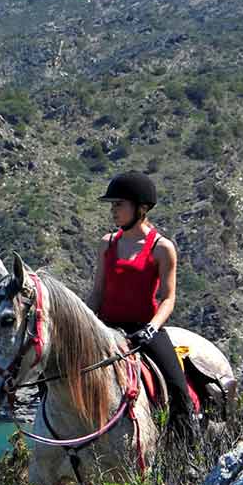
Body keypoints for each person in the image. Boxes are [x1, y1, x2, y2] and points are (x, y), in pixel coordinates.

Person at [85, 171, 199, 443]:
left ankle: (187, 447)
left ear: (142, 208)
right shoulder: (107, 243)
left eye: (119, 204)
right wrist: (86, 320)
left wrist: (152, 327)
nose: (113, 210)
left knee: (176, 384)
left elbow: (168, 298)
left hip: (144, 329)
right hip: (106, 327)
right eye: (112, 205)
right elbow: (98, 291)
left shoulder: (162, 248)